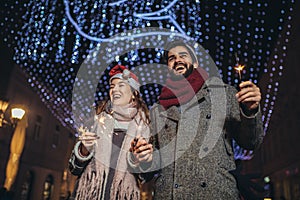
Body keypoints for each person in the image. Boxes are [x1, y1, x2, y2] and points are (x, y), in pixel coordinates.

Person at [129, 40, 264, 199]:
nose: (177, 60)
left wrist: (250, 110)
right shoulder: (157, 110)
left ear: (195, 62)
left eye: (183, 55)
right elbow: (150, 168)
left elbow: (251, 141)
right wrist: (144, 159)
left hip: (216, 193)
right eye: (171, 58)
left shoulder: (223, 94)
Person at [68, 64, 153, 200]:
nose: (114, 90)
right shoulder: (96, 121)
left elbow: (146, 177)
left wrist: (140, 160)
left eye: (121, 85)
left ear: (134, 93)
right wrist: (84, 150)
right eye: (112, 86)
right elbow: (74, 169)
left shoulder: (144, 129)